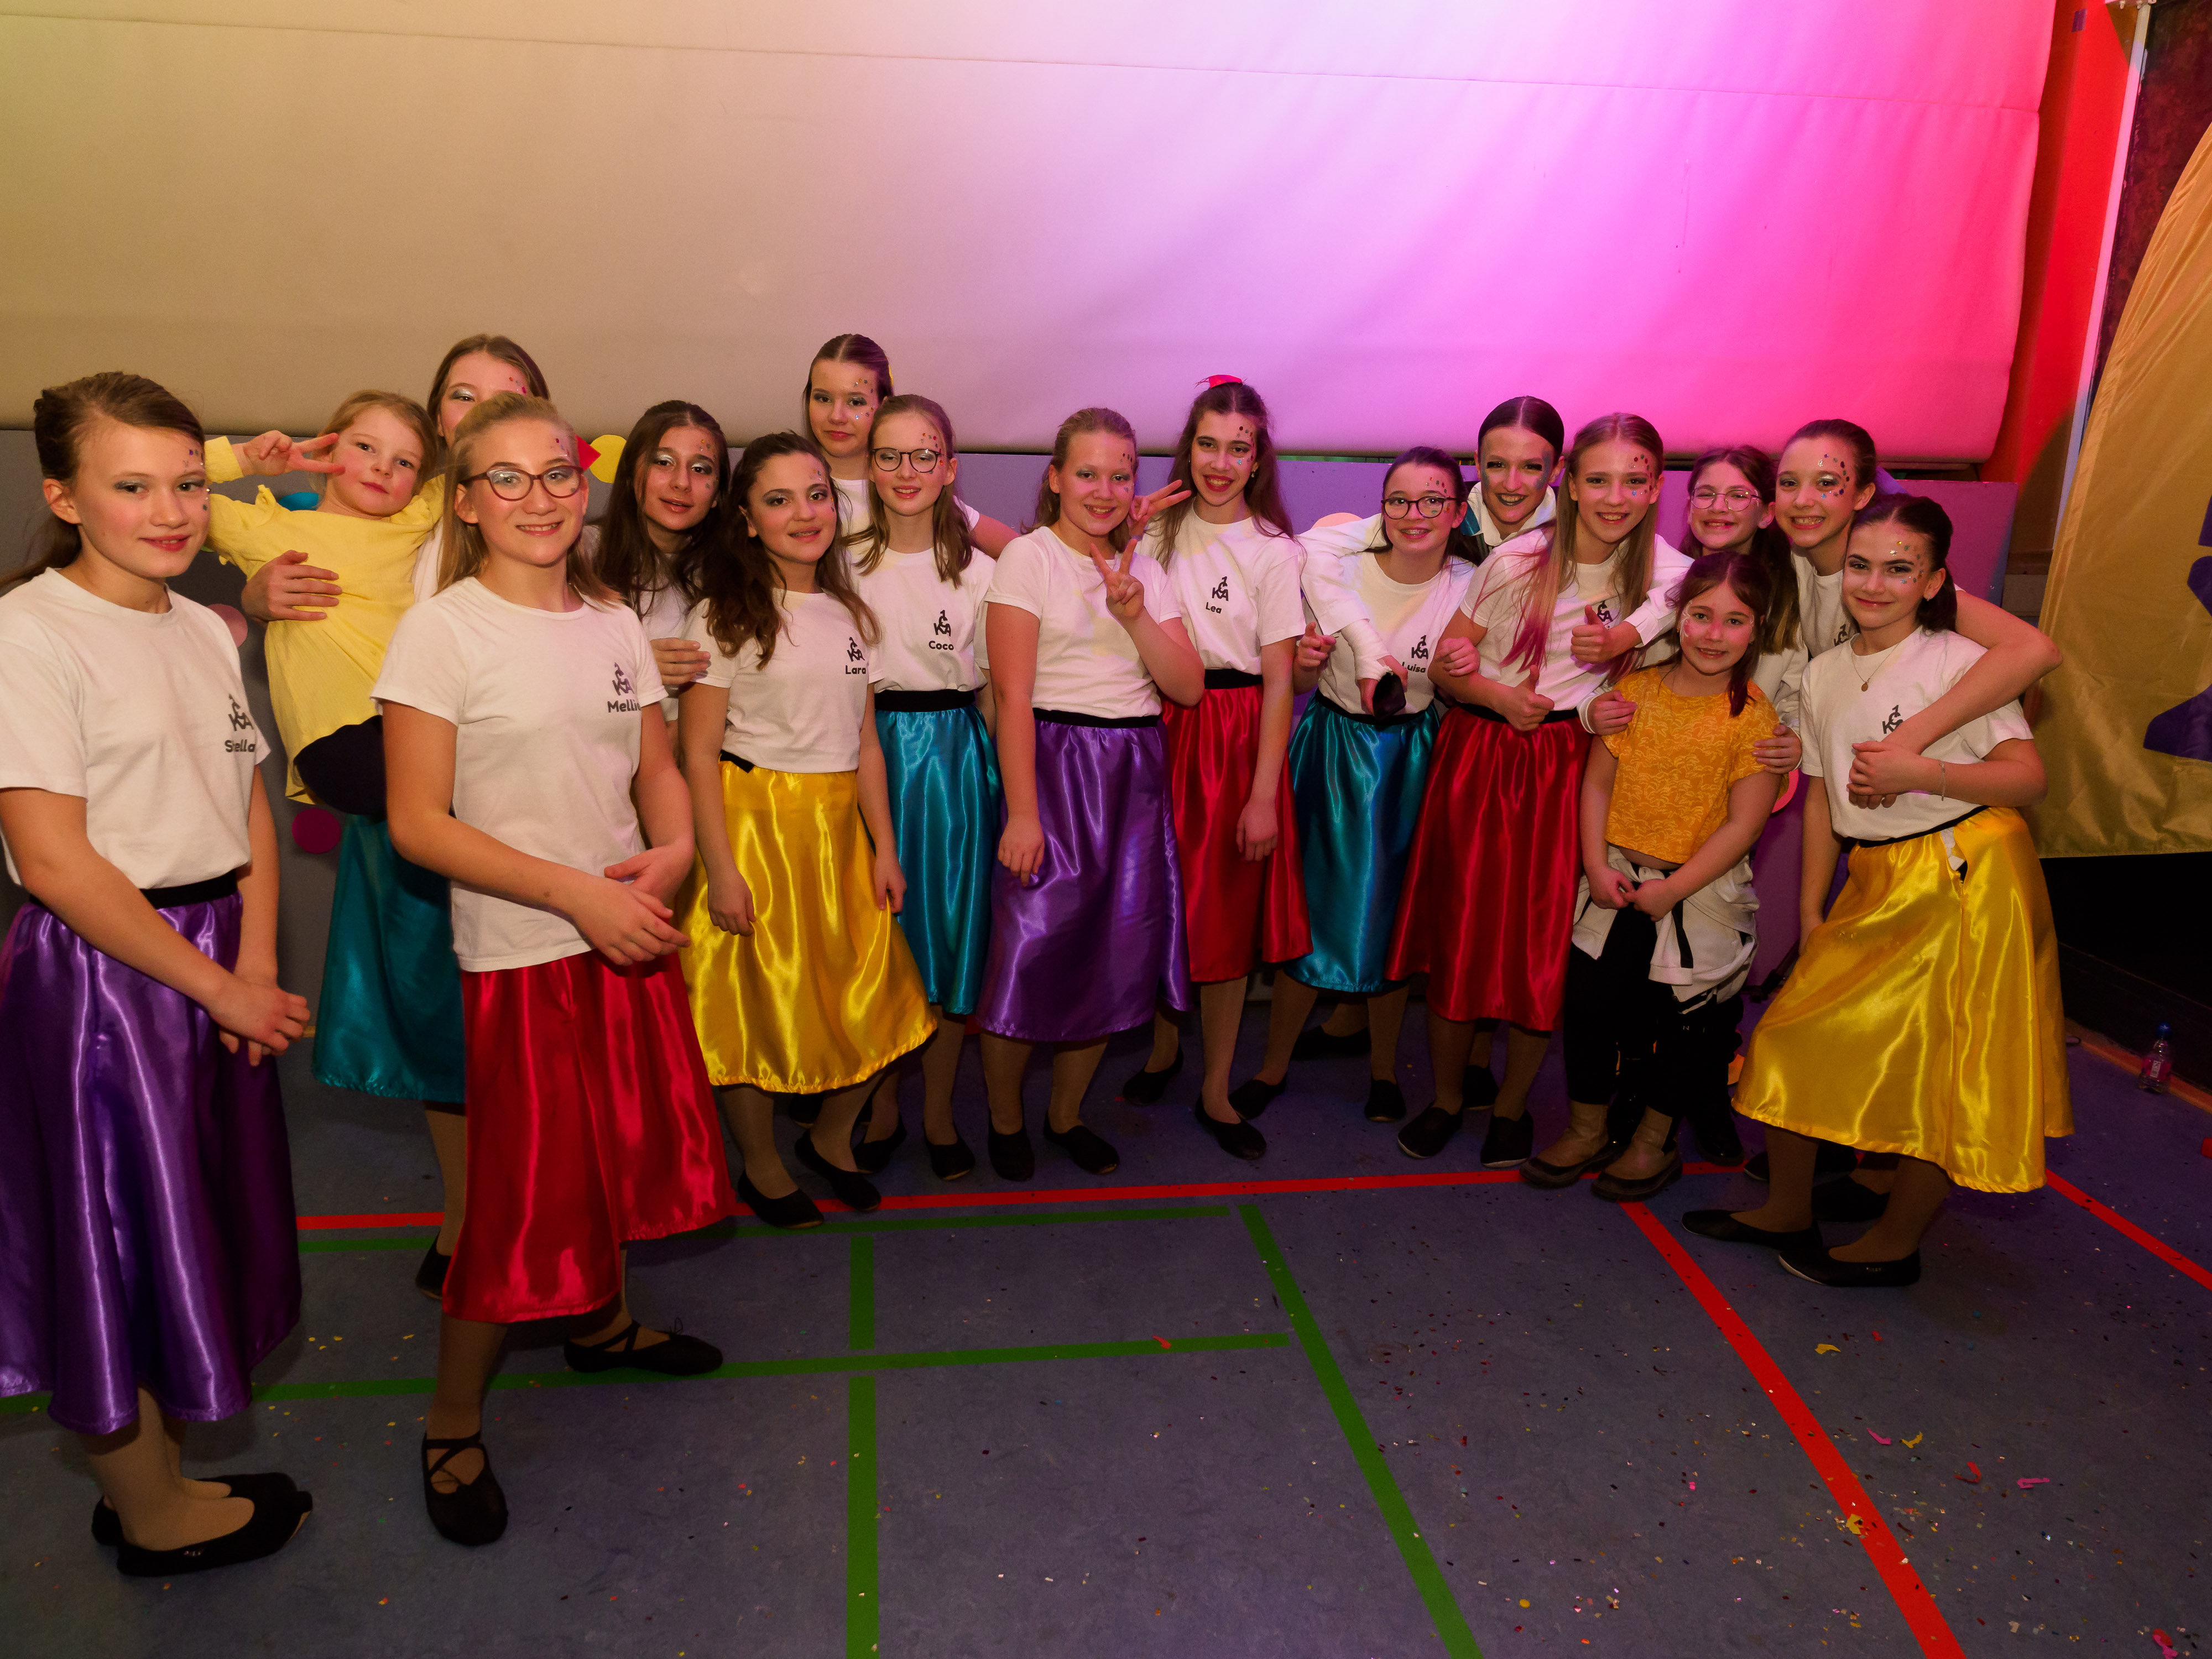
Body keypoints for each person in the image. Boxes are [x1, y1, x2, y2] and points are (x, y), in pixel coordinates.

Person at [378, 394, 735, 1547]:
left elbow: (654, 767)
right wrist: (576, 895)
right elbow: (419, 823)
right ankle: (450, 1421)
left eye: (557, 475)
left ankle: (601, 1326)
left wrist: (674, 852)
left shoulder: (615, 623)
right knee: (519, 1202)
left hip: (623, 931)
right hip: (529, 949)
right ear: (467, 502)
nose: (538, 499)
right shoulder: (443, 633)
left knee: (615, 1156)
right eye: (507, 478)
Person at [0, 372, 313, 1575]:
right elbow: (53, 858)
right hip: (109, 981)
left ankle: (159, 1476)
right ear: (63, 497)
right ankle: (153, 1517)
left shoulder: (199, 625)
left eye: (188, 483)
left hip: (211, 956)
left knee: (187, 1220)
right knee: (119, 1235)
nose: (172, 511)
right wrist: (214, 985)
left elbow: (244, 800)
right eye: (132, 487)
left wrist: (256, 958)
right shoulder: (31, 636)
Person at [223, 334, 553, 1296]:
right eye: (463, 394)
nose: (484, 409)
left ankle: (538, 1203)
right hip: (409, 792)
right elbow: (226, 519)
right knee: (439, 1012)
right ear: (439, 415)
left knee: (521, 1016)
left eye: (509, 392)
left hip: (506, 788)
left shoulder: (530, 515)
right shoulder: (409, 512)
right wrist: (255, 590)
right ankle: (468, 1216)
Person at [1686, 494, 2070, 1286]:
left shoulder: (1958, 662)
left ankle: (1896, 1244)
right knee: (1791, 1033)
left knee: (1939, 1069)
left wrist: (1922, 769)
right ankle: (1788, 1209)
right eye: (1860, 565)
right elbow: (1822, 798)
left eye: (1900, 569)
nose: (1873, 583)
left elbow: (2027, 779)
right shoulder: (1825, 672)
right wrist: (1809, 910)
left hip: (1964, 877)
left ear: (1933, 582)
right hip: (1876, 876)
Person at [1397, 413, 1693, 1168]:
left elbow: (1699, 589)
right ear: (1570, 484)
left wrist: (1626, 635)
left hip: (1573, 765)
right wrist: (1495, 697)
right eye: (1598, 480)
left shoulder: (1660, 571)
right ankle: (1447, 1099)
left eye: (1634, 481)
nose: (1616, 497)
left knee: (1542, 943)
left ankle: (1511, 1106)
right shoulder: (1517, 561)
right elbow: (1449, 665)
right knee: (1462, 932)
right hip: (1486, 756)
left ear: (1656, 488)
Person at [676, 432, 936, 1224]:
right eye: (779, 499)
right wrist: (721, 870)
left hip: (837, 834)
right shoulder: (722, 615)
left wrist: (885, 847)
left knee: (883, 997)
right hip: (755, 830)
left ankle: (829, 1139)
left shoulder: (852, 613)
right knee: (754, 1008)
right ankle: (760, 1167)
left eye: (817, 495)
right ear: (747, 519)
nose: (804, 513)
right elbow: (697, 753)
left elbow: (865, 744)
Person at [1290, 397, 1564, 1067]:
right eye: (1496, 465)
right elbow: (1346, 545)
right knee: (1353, 885)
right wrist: (1398, 519)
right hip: (1411, 733)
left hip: (1496, 739)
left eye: (1531, 467)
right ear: (1476, 470)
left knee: (1477, 901)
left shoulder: (1563, 539)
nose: (1511, 482)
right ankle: (1349, 1020)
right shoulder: (1441, 519)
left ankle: (1473, 1060)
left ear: (1555, 471)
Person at [977, 407, 1203, 1180]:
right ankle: (1005, 1118)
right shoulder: (1029, 559)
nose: (1103, 490)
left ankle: (1066, 1115)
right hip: (1053, 764)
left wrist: (1134, 616)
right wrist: (1023, 813)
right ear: (1054, 478)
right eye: (1086, 473)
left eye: (1119, 475)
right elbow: (1012, 697)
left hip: (1132, 773)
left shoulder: (1147, 571)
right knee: (1028, 951)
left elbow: (1187, 686)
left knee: (1112, 954)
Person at [1228, 448, 1480, 1125]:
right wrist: (1309, 664)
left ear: (1458, 511)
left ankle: (1382, 1069)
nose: (1415, 515)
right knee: (1307, 911)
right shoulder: (1338, 569)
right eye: (1399, 501)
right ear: (1380, 509)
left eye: (1433, 501)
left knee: (1392, 917)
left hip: (1411, 759)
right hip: (1333, 751)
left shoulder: (1470, 586)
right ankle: (1272, 1064)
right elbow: (1299, 682)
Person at [1550, 551, 1781, 1199]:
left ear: (1757, 629)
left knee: (1683, 1025)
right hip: (1614, 882)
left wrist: (1674, 889)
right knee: (1590, 1008)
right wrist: (1595, 865)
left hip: (1695, 892)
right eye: (1701, 615)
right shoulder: (1634, 692)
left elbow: (1744, 824)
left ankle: (1651, 1143)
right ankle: (1586, 1129)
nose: (1713, 634)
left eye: (1734, 621)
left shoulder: (1755, 719)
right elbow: (1597, 784)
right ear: (1677, 617)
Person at [1118, 380, 1309, 1160]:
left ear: (1258, 459)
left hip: (1233, 739)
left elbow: (1279, 683)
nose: (1221, 463)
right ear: (1187, 448)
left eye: (1239, 448)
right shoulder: (1154, 530)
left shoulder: (1274, 551)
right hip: (1154, 728)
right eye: (1208, 444)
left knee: (1225, 918)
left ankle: (1217, 1087)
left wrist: (1263, 796)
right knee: (1160, 902)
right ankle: (1164, 1049)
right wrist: (1127, 535)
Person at [845, 396, 1001, 1181]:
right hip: (865, 761)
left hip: (956, 768)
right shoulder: (840, 564)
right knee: (881, 944)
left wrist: (1002, 792)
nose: (907, 471)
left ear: (949, 469)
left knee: (946, 940)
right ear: (870, 468)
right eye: (890, 455)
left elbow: (995, 693)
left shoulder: (982, 571)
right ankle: (882, 1106)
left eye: (924, 455)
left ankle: (938, 1110)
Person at [803, 333, 1015, 554]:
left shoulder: (910, 491)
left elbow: (1019, 549)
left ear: (883, 406)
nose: (837, 416)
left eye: (856, 402)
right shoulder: (791, 483)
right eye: (823, 399)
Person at [593, 400, 729, 721]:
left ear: (717, 494)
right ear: (631, 472)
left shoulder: (733, 574)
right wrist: (633, 665)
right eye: (664, 462)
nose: (682, 482)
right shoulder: (581, 554)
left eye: (700, 469)